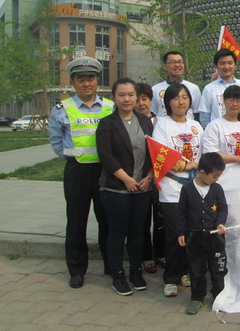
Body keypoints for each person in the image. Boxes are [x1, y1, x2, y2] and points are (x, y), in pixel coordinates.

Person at [49, 57, 114, 289]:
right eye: (81, 79)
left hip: (105, 172)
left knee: (107, 220)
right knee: (76, 222)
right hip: (77, 171)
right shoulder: (61, 109)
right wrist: (73, 156)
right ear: (73, 82)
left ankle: (111, 265)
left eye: (91, 79)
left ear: (97, 81)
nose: (87, 84)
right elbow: (57, 143)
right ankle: (76, 270)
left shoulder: (110, 107)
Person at [97, 78, 154, 295]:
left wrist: (148, 177)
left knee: (138, 232)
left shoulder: (145, 121)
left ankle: (136, 272)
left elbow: (154, 152)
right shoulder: (107, 123)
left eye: (131, 94)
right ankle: (118, 275)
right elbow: (106, 156)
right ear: (114, 97)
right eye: (121, 95)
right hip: (116, 188)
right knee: (117, 232)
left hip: (142, 188)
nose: (127, 99)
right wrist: (127, 179)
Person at [152, 83, 204, 297]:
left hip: (194, 188)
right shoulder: (162, 125)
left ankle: (186, 272)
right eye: (175, 98)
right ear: (168, 102)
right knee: (175, 234)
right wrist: (186, 166)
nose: (181, 102)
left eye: (184, 97)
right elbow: (161, 153)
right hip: (171, 187)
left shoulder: (196, 126)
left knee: (192, 233)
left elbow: (203, 153)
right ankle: (171, 278)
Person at [177, 152, 228, 315]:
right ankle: (197, 297)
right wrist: (181, 232)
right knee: (196, 269)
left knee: (218, 268)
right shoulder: (187, 188)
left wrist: (220, 223)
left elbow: (223, 208)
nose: (216, 180)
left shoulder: (217, 189)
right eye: (215, 176)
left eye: (219, 176)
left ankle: (218, 295)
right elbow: (181, 212)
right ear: (202, 172)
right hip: (195, 236)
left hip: (215, 236)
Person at [136, 83, 166, 273]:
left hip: (161, 177)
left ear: (151, 100)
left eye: (145, 99)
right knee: (143, 219)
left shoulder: (161, 122)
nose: (141, 103)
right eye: (137, 99)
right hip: (141, 177)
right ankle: (146, 256)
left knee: (161, 219)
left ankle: (161, 253)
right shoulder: (131, 122)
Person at [203, 85, 240, 165]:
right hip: (225, 172)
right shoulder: (214, 126)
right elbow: (210, 154)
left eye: (239, 101)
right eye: (231, 100)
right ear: (224, 101)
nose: (235, 104)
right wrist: (236, 158)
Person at [199, 49, 240, 128]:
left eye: (230, 63)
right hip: (219, 132)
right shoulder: (209, 88)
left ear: (235, 64)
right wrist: (210, 131)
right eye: (222, 63)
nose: (226, 67)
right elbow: (204, 116)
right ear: (216, 65)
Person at [151, 51, 202, 120]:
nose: (177, 65)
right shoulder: (155, 89)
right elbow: (153, 113)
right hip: (163, 125)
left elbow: (197, 114)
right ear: (165, 66)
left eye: (180, 62)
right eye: (172, 62)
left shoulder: (193, 88)